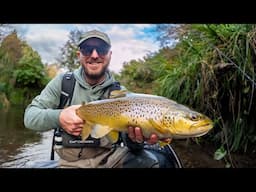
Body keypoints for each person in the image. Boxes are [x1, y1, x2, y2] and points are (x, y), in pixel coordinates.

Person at [24, 29, 177, 168]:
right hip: (70, 164)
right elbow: (30, 117)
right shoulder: (63, 83)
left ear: (110, 55)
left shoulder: (121, 95)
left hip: (111, 160)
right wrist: (59, 117)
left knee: (152, 163)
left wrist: (136, 140)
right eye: (87, 49)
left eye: (102, 49)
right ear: (79, 55)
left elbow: (133, 146)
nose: (95, 55)